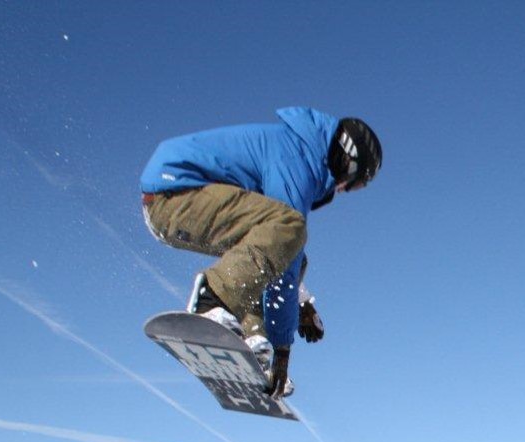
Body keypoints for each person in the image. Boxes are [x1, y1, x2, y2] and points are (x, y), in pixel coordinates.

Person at [140, 107, 381, 397]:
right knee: (290, 230)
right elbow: (286, 250)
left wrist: (301, 303)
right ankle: (211, 300)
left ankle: (254, 338)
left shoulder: (303, 156)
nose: (347, 189)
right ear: (347, 158)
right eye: (356, 181)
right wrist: (283, 348)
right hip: (175, 194)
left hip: (176, 201)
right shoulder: (296, 157)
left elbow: (279, 254)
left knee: (288, 245)